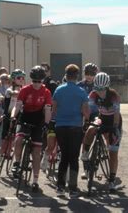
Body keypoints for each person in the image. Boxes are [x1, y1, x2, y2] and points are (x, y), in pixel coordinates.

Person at [11, 66, 52, 193]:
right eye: (34, 81)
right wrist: (13, 116)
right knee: (18, 140)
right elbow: (17, 106)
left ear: (43, 81)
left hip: (38, 119)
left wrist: (46, 123)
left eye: (39, 81)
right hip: (26, 117)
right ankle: (17, 163)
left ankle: (35, 180)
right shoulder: (24, 90)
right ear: (31, 80)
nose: (37, 84)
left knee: (36, 151)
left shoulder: (46, 92)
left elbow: (48, 110)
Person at [51, 64, 90, 197]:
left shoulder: (58, 90)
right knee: (74, 157)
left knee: (64, 157)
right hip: (75, 127)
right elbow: (86, 112)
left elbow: (54, 110)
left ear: (66, 75)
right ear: (77, 76)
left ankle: (60, 186)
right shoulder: (81, 92)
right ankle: (73, 188)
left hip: (61, 126)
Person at [81, 72, 123, 192]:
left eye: (102, 89)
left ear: (107, 86)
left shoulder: (114, 96)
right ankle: (85, 153)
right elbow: (88, 109)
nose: (100, 91)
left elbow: (116, 114)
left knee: (113, 151)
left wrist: (114, 128)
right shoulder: (93, 94)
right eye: (97, 88)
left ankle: (112, 179)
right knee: (91, 129)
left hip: (114, 120)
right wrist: (86, 121)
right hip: (102, 117)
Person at [0, 69, 25, 167]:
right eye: (19, 78)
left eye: (23, 78)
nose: (21, 79)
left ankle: (11, 155)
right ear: (13, 79)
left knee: (15, 139)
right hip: (8, 116)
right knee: (5, 138)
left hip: (20, 116)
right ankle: (0, 156)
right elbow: (13, 93)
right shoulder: (9, 89)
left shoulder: (24, 89)